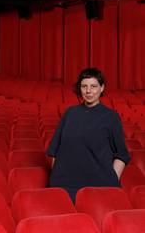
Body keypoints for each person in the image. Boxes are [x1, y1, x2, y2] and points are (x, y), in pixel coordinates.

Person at [47, 68, 130, 201]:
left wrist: (111, 179)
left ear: (102, 88)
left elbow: (122, 154)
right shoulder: (70, 113)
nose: (88, 91)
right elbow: (55, 151)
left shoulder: (111, 117)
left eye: (93, 86)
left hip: (99, 187)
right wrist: (58, 178)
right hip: (65, 185)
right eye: (84, 86)